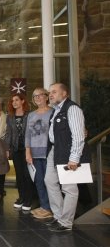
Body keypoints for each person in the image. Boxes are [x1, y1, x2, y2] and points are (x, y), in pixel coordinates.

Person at [45, 83, 90, 232]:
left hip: (67, 152)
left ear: (65, 93)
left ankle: (66, 222)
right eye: (50, 92)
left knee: (69, 187)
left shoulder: (72, 109)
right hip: (55, 149)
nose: (50, 95)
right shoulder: (56, 111)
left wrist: (74, 158)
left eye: (54, 92)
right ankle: (58, 216)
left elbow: (78, 136)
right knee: (49, 181)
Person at [25, 88, 53, 219]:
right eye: (34, 96)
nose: (37, 98)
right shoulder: (31, 115)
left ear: (46, 97)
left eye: (40, 95)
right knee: (39, 181)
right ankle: (44, 206)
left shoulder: (53, 113)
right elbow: (28, 135)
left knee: (51, 182)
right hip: (34, 153)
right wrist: (27, 152)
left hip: (49, 153)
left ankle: (52, 208)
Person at [6, 93, 32, 211]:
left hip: (28, 149)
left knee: (27, 175)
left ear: (22, 101)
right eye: (13, 101)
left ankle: (28, 199)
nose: (14, 102)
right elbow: (9, 134)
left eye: (16, 100)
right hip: (16, 149)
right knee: (19, 175)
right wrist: (7, 149)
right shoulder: (10, 116)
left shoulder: (30, 115)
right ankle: (21, 197)